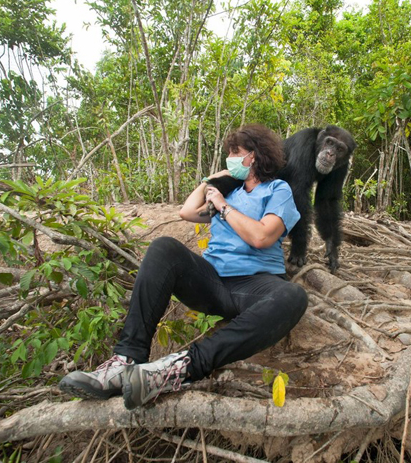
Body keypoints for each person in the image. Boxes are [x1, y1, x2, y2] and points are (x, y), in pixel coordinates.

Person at [59, 124, 308, 409]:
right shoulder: (230, 193)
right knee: (163, 247)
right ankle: (124, 362)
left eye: (234, 153)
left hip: (255, 284)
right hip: (213, 282)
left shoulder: (278, 190)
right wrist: (210, 182)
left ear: (253, 156)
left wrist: (223, 207)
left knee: (293, 296)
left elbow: (263, 236)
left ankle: (177, 369)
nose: (230, 159)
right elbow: (187, 212)